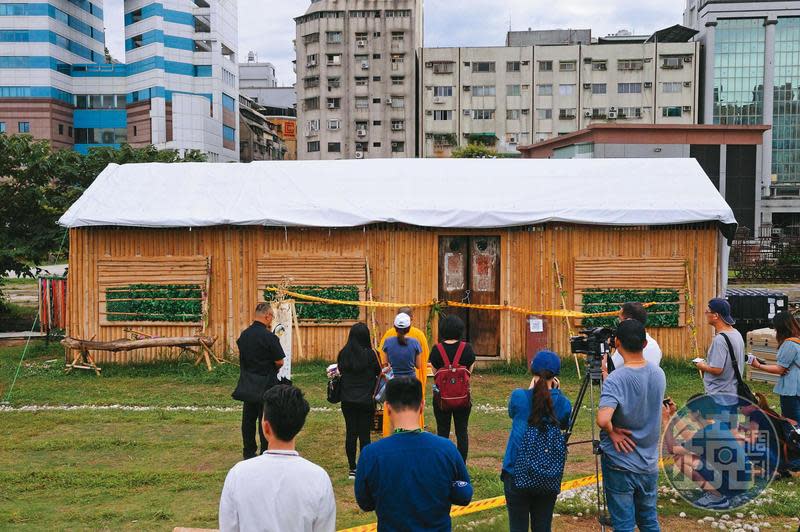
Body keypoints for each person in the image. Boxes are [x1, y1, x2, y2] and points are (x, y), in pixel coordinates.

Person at [355, 377, 473, 531]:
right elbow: (464, 495)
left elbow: (365, 503)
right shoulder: (446, 449)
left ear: (388, 408)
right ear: (422, 406)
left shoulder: (371, 454)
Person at [219, 385, 336, 532]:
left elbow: (228, 527)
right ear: (299, 427)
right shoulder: (318, 478)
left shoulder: (238, 474)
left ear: (266, 427)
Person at [597, 319, 667, 532]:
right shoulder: (659, 374)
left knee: (624, 524)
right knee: (648, 521)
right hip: (648, 462)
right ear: (645, 344)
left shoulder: (616, 379)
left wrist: (613, 433)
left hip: (620, 461)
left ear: (616, 343)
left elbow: (603, 419)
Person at [501, 350, 572, 532]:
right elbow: (565, 422)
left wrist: (531, 389)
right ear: (555, 376)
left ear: (532, 371)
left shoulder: (519, 396)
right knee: (543, 526)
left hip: (517, 471)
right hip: (548, 474)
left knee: (518, 527)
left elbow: (512, 413)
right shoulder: (563, 403)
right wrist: (557, 392)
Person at [235, 303, 285, 459]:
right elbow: (280, 362)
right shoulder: (269, 337)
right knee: (265, 418)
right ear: (268, 316)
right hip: (266, 383)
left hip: (248, 382)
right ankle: (265, 450)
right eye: (272, 317)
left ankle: (248, 451)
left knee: (248, 419)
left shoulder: (244, 335)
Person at [337, 322, 382, 479]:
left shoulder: (343, 353)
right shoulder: (372, 354)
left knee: (351, 432)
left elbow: (341, 370)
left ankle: (352, 468)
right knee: (364, 435)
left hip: (347, 399)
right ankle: (363, 467)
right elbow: (379, 372)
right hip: (366, 399)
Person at [430, 315, 476, 463]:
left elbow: (435, 372)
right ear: (460, 331)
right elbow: (469, 372)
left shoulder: (437, 350)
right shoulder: (467, 348)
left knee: (442, 431)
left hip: (441, 399)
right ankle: (461, 464)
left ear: (443, 330)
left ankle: (442, 463)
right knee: (462, 431)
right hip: (463, 398)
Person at [379, 306, 430, 435]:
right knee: (412, 408)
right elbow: (421, 362)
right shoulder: (417, 337)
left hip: (393, 380)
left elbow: (383, 361)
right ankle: (414, 432)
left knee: (392, 407)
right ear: (411, 319)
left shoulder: (388, 337)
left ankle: (390, 434)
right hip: (412, 380)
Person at [694, 298, 745, 415]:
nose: (706, 314)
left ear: (716, 315)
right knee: (731, 430)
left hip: (719, 397)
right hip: (733, 393)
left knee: (719, 431)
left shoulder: (720, 340)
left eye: (708, 311)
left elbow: (717, 369)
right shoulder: (736, 334)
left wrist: (701, 365)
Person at [750, 312, 800, 422]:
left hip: (792, 390)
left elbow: (780, 369)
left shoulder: (789, 344)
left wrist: (757, 365)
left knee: (791, 422)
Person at [608, 302, 663, 372]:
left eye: (620, 320)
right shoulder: (654, 345)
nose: (619, 324)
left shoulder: (626, 346)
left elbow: (609, 371)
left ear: (628, 321)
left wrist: (604, 351)